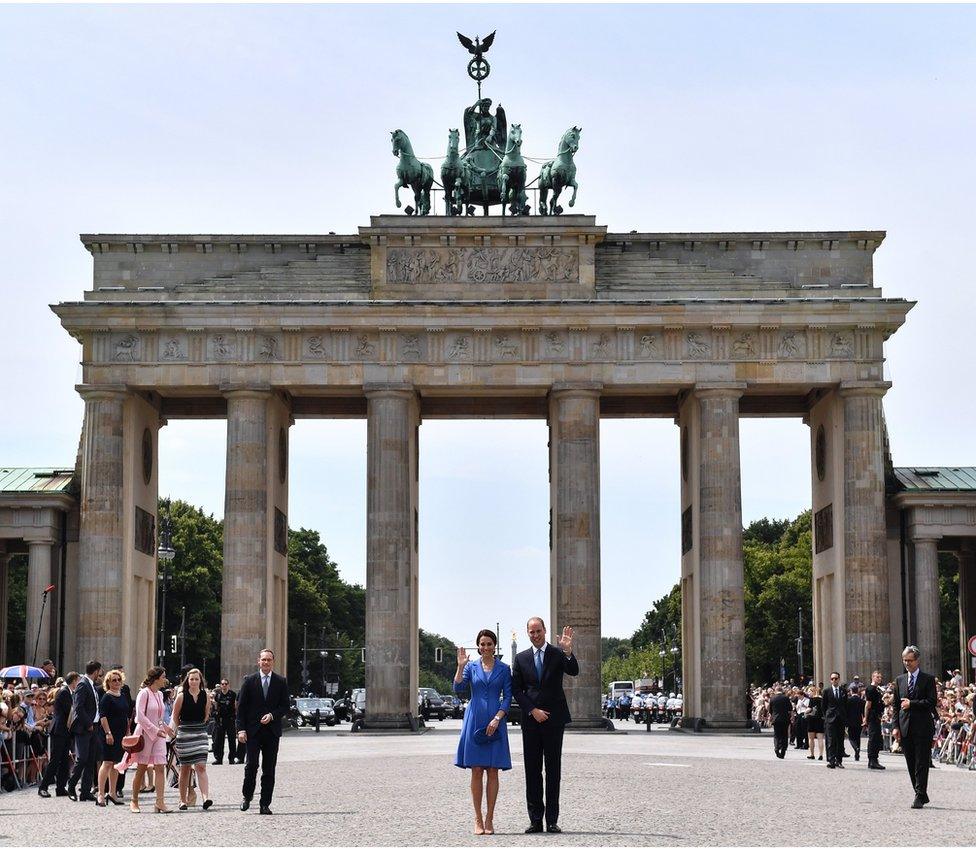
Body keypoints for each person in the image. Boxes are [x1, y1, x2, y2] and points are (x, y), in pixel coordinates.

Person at [511, 617, 578, 834]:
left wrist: (568, 651)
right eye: (531, 632)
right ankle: (535, 820)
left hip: (554, 720)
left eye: (538, 631)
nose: (535, 635)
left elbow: (573, 670)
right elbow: (517, 690)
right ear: (527, 633)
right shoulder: (520, 658)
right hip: (531, 721)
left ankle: (552, 820)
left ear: (545, 631)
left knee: (553, 770)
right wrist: (533, 710)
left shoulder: (557, 653)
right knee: (532, 771)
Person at [454, 629, 512, 835]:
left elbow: (507, 697)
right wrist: (460, 668)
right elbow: (458, 688)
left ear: (494, 646)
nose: (485, 647)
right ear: (478, 646)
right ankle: (477, 818)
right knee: (477, 769)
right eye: (482, 644)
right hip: (475, 718)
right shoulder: (470, 667)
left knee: (493, 770)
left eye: (489, 644)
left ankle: (490, 818)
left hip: (495, 720)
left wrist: (498, 718)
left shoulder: (505, 669)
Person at [237, 648, 290, 815]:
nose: (266, 662)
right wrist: (241, 729)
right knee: (251, 765)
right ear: (258, 661)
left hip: (272, 732)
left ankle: (265, 803)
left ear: (273, 662)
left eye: (269, 660)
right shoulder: (249, 681)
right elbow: (241, 708)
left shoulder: (281, 681)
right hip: (253, 731)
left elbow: (285, 706)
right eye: (263, 660)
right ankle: (247, 795)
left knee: (269, 769)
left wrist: (273, 715)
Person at [119, 665, 176, 813]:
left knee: (160, 767)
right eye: (163, 677)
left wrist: (165, 727)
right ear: (156, 679)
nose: (165, 680)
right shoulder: (144, 693)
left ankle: (160, 802)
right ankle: (134, 800)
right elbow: (140, 716)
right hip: (145, 734)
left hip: (159, 735)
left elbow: (157, 717)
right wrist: (155, 730)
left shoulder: (159, 694)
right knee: (142, 767)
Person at [893, 645, 937, 809]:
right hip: (905, 727)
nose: (907, 663)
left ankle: (919, 795)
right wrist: (895, 726)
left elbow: (931, 702)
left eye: (910, 660)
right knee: (910, 762)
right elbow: (896, 706)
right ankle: (920, 793)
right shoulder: (900, 680)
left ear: (917, 661)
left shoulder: (928, 679)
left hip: (923, 727)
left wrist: (912, 703)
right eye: (904, 660)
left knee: (921, 763)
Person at [171, 667, 213, 811]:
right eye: (191, 679)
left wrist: (199, 727)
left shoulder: (205, 695)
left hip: (200, 733)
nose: (194, 681)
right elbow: (175, 716)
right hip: (185, 733)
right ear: (187, 681)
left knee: (201, 766)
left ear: (200, 680)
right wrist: (181, 730)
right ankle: (182, 800)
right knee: (185, 768)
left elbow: (206, 714)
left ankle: (205, 798)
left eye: (196, 679)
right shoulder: (181, 696)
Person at [38, 671, 79, 798]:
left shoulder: (69, 692)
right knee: (55, 760)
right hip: (59, 730)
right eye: (78, 681)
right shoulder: (64, 692)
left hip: (66, 731)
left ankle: (60, 787)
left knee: (64, 761)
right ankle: (43, 787)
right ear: (73, 681)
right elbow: (70, 710)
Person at [67, 659, 103, 801]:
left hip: (94, 727)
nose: (101, 674)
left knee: (91, 759)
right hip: (84, 727)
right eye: (100, 671)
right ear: (95, 671)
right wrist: (88, 723)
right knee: (81, 759)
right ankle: (71, 785)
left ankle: (85, 791)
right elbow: (78, 707)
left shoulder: (92, 685)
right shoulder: (83, 684)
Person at [95, 669, 128, 806]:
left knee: (116, 764)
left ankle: (113, 793)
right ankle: (101, 794)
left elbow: (126, 716)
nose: (117, 682)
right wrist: (108, 733)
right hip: (109, 734)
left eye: (119, 679)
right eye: (113, 680)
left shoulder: (123, 695)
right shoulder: (106, 697)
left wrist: (128, 731)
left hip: (121, 734)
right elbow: (103, 716)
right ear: (108, 682)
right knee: (107, 762)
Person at [821, 672, 848, 768]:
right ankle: (831, 760)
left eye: (836, 678)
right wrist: (826, 716)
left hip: (840, 718)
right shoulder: (826, 691)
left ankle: (839, 760)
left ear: (839, 679)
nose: (834, 680)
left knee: (840, 740)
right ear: (830, 680)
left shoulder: (843, 691)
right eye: (832, 679)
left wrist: (845, 718)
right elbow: (823, 706)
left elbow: (846, 705)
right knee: (831, 740)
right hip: (830, 718)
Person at [863, 670, 886, 770]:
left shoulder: (877, 689)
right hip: (872, 716)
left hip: (877, 716)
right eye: (877, 677)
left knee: (876, 738)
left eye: (880, 677)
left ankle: (874, 760)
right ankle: (872, 760)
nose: (879, 679)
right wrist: (865, 718)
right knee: (873, 738)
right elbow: (868, 705)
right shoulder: (871, 689)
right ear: (872, 677)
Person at [212, 677, 239, 764]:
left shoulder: (232, 694)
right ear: (220, 685)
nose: (224, 686)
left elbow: (236, 706)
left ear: (228, 685)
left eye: (225, 684)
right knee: (219, 741)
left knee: (232, 740)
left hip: (230, 719)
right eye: (222, 684)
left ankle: (231, 759)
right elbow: (215, 706)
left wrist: (236, 717)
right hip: (220, 720)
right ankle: (218, 759)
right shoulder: (218, 695)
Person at [769, 683, 793, 759]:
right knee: (784, 735)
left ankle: (776, 748)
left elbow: (770, 710)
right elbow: (790, 709)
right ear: (782, 691)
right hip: (785, 719)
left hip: (776, 719)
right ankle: (783, 751)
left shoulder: (772, 698)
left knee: (776, 735)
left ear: (775, 691)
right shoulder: (786, 698)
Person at [845, 684, 866, 762]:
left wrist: (845, 722)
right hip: (859, 721)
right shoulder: (862, 701)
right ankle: (857, 754)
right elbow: (864, 712)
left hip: (850, 721)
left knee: (851, 737)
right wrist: (864, 720)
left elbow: (846, 712)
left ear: (851, 691)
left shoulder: (848, 700)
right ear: (857, 692)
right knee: (857, 737)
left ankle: (855, 748)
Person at [805, 685, 824, 760]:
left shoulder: (812, 699)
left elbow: (809, 709)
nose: (809, 693)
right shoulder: (822, 699)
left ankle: (812, 754)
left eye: (810, 691)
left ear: (814, 691)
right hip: (820, 719)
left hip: (812, 719)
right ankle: (820, 755)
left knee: (811, 738)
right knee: (820, 738)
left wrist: (805, 712)